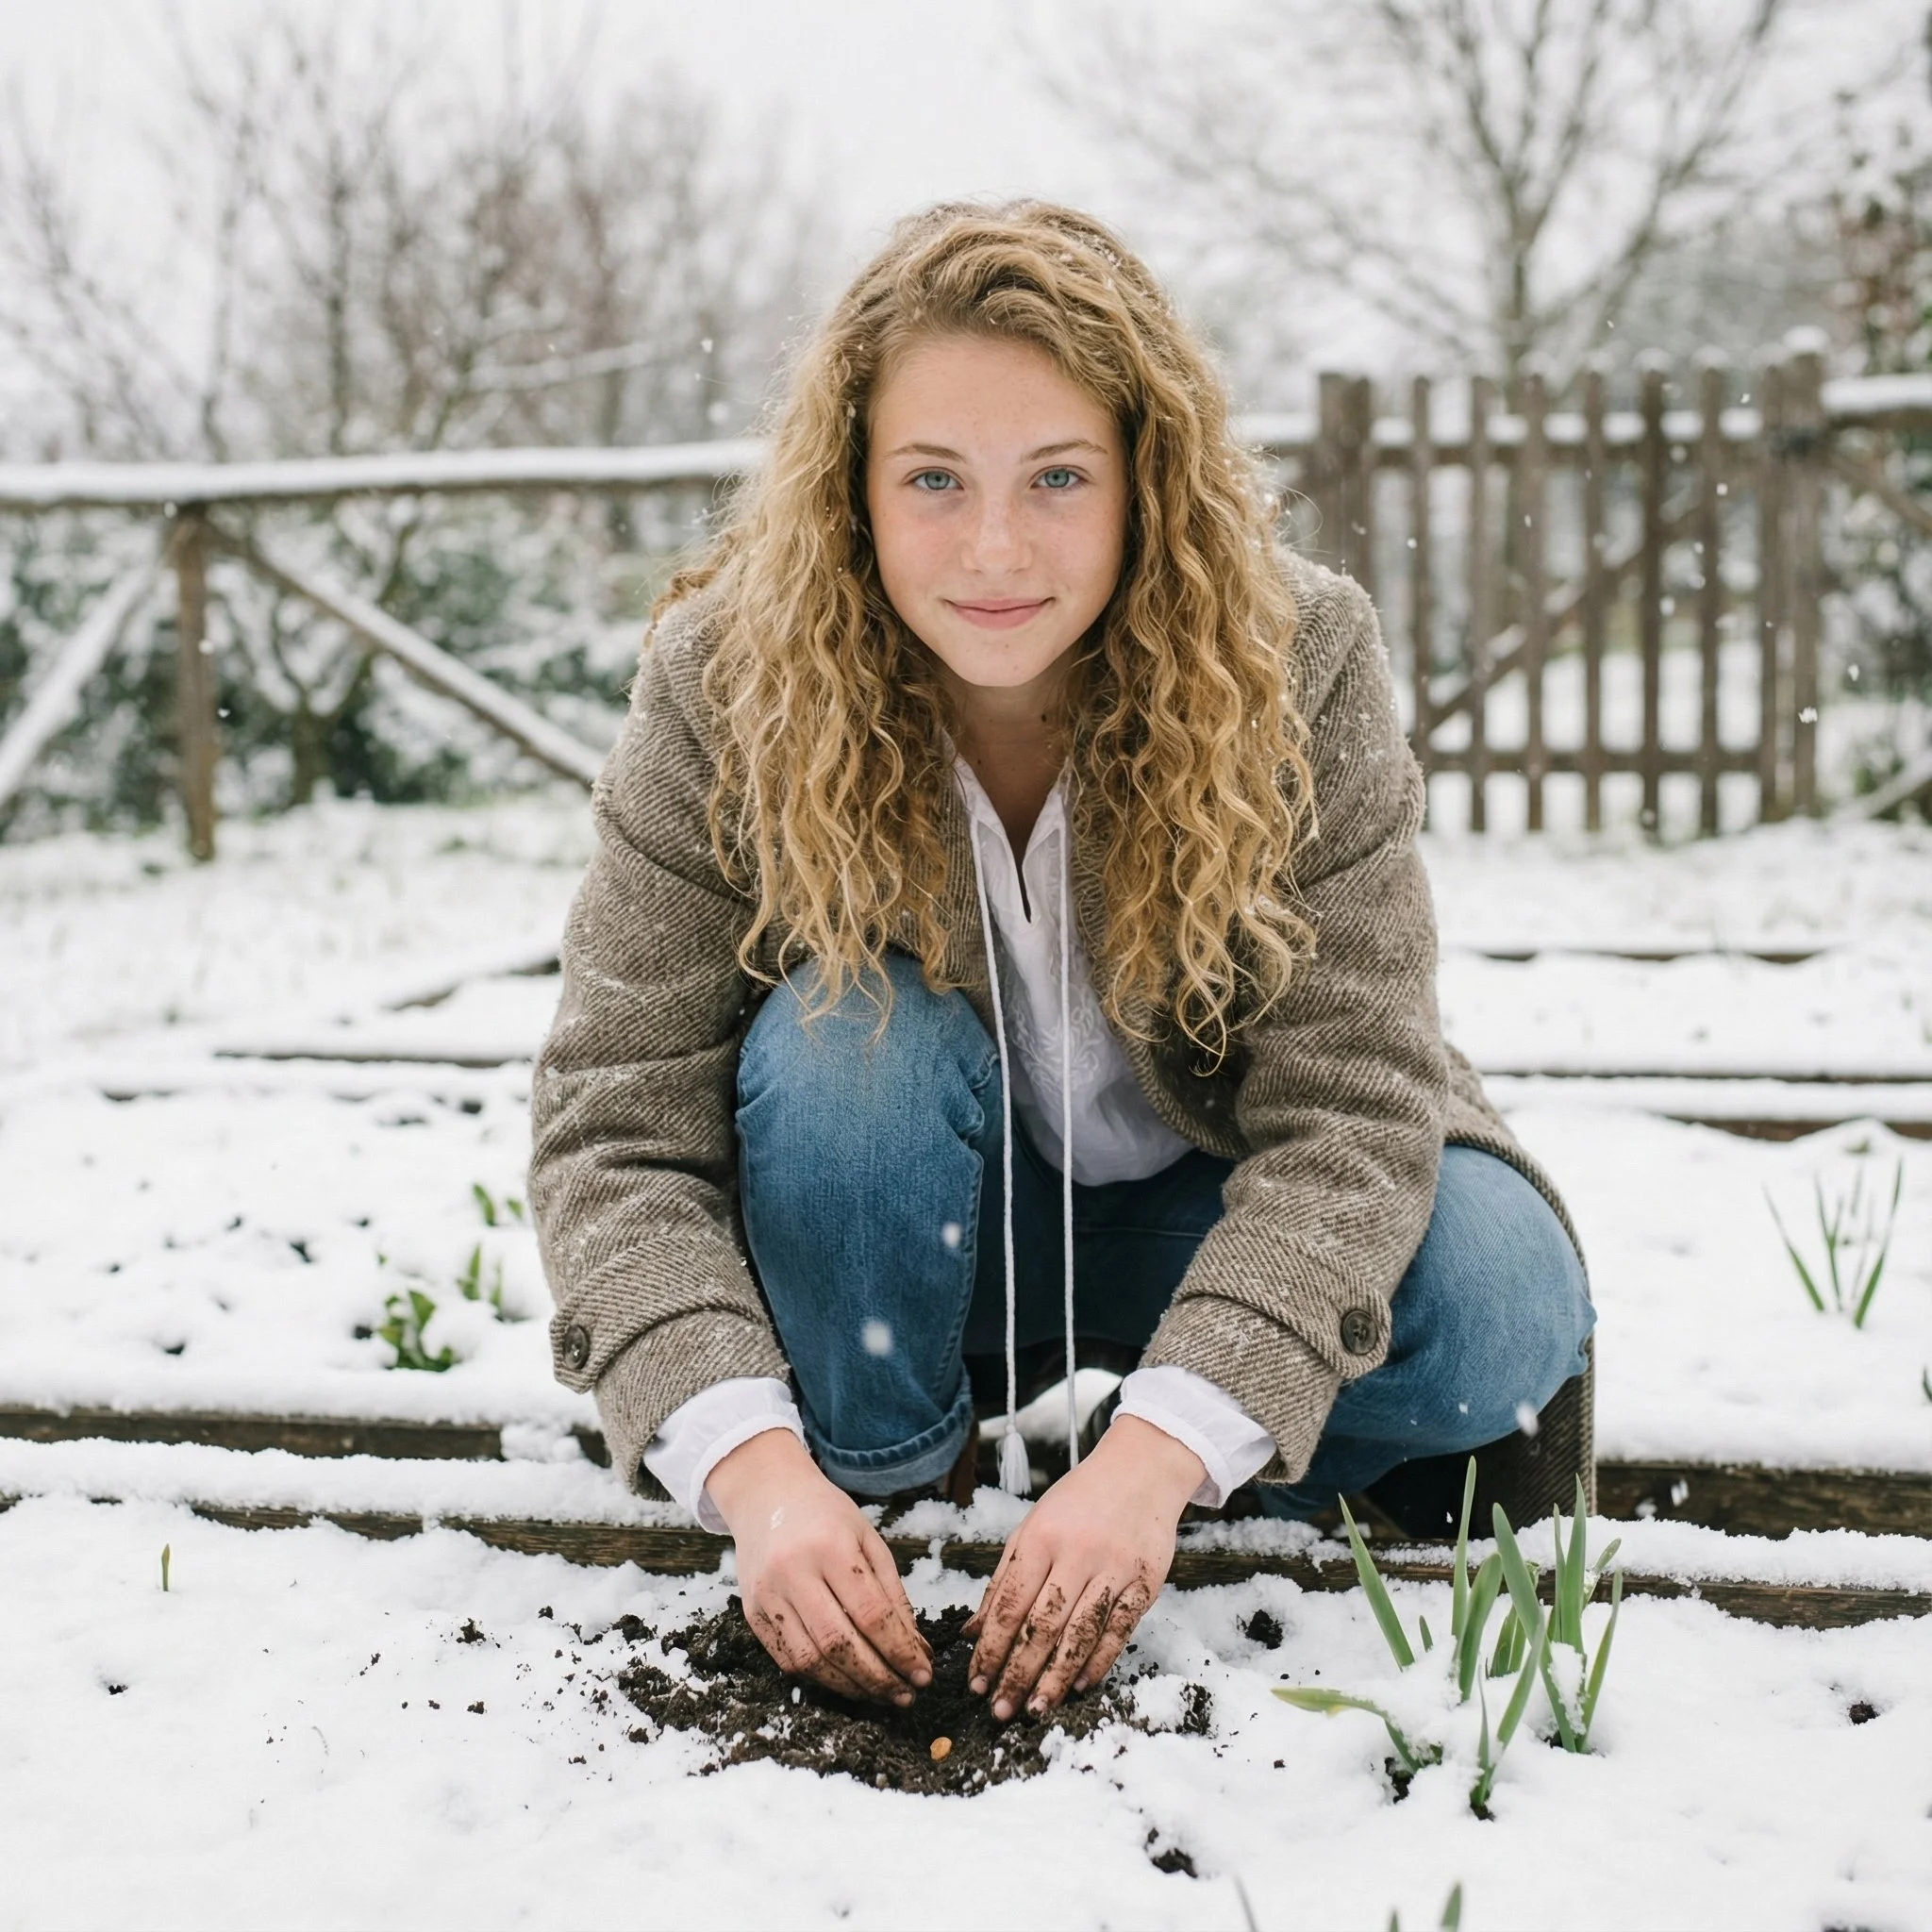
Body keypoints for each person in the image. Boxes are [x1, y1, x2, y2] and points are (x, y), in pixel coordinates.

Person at [530, 200, 1593, 1725]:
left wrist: (1154, 1459)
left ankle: (1197, 1468)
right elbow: (616, 1123)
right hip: (907, 1246)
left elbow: (1357, 1107)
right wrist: (754, 1481)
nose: (995, 548)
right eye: (934, 480)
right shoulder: (728, 685)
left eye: (1058, 478)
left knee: (1495, 1295)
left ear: (1145, 482)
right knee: (849, 1041)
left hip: (1204, 1219)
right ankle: (887, 1482)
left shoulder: (1299, 661)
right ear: (852, 493)